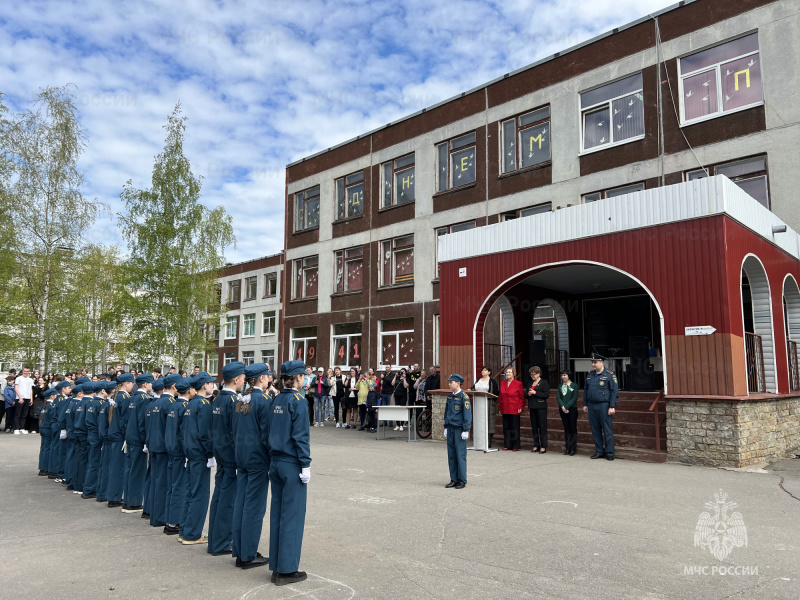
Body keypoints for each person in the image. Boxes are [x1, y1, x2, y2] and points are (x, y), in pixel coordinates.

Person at [267, 360, 311, 586]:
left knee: (278, 514)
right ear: (297, 378)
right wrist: (305, 463)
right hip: (291, 462)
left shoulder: (276, 399)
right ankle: (286, 569)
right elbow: (300, 435)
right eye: (303, 375)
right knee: (292, 516)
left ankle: (276, 565)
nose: (305, 379)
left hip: (275, 461)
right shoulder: (298, 401)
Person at [231, 363, 272, 569]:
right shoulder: (263, 401)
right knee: (253, 508)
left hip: (242, 457)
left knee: (241, 504)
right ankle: (247, 554)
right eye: (268, 375)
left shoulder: (242, 400)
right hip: (257, 459)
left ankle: (239, 550)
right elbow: (266, 435)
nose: (270, 378)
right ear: (262, 378)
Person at [208, 361, 245, 557]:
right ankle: (222, 542)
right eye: (243, 378)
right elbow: (236, 433)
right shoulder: (232, 402)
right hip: (230, 456)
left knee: (219, 497)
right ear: (237, 379)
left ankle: (215, 539)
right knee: (228, 500)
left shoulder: (218, 399)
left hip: (220, 453)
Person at [181, 371, 216, 545]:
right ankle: (192, 534)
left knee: (190, 492)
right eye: (210, 383)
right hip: (199, 453)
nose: (212, 386)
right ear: (204, 385)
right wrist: (210, 453)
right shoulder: (203, 405)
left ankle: (185, 530)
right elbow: (205, 434)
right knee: (199, 495)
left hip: (190, 451)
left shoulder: (191, 403)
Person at [147, 373, 180, 527]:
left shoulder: (155, 402)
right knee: (163, 484)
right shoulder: (169, 403)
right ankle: (159, 517)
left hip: (154, 446)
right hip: (163, 448)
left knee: (156, 482)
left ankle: (154, 514)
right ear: (174, 386)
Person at [164, 376, 192, 536]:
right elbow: (183, 432)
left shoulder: (173, 405)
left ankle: (169, 520)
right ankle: (174, 522)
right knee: (179, 486)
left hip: (171, 449)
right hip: (179, 451)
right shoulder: (183, 406)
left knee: (172, 486)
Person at [123, 373, 153, 513]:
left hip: (130, 436)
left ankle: (128, 500)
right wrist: (145, 440)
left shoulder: (132, 398)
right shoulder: (143, 399)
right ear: (145, 384)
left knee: (130, 469)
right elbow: (142, 422)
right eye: (151, 383)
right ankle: (133, 502)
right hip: (137, 439)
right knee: (137, 471)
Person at [583, 353, 619, 460]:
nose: (593, 364)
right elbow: (586, 390)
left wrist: (612, 406)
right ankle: (599, 451)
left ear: (602, 363)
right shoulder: (590, 374)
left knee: (607, 430)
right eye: (592, 362)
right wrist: (585, 404)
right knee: (595, 429)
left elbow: (614, 391)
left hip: (604, 405)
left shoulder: (609, 375)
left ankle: (610, 452)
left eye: (596, 362)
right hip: (592, 405)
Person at [106, 373, 135, 508]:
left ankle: (113, 495)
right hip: (119, 436)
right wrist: (126, 434)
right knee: (119, 467)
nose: (132, 386)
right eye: (131, 383)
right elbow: (125, 419)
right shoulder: (124, 397)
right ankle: (114, 496)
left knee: (115, 466)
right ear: (126, 384)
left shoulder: (116, 396)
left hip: (114, 433)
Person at [443, 374, 472, 489]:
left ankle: (462, 480)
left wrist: (466, 429)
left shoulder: (464, 397)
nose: (449, 384)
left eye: (451, 382)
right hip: (450, 428)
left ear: (458, 383)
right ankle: (453, 479)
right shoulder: (450, 397)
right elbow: (446, 413)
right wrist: (445, 426)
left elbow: (467, 414)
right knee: (451, 455)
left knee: (460, 455)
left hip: (459, 429)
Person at [81, 382, 104, 498]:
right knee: (95, 462)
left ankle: (88, 487)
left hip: (91, 433)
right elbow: (100, 423)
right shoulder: (99, 403)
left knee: (91, 461)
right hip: (96, 435)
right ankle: (89, 489)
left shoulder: (92, 402)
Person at [470, 366, 499, 449]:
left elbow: (496, 393)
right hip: (478, 403)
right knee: (479, 422)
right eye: (482, 370)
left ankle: (488, 442)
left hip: (488, 403)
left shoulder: (492, 381)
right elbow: (473, 388)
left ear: (489, 372)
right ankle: (479, 442)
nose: (483, 371)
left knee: (489, 422)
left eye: (485, 370)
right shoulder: (478, 380)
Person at [498, 368, 524, 451]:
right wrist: (500, 407)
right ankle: (507, 444)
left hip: (514, 407)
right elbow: (500, 396)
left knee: (514, 426)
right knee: (506, 426)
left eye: (510, 372)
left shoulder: (518, 383)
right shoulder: (503, 383)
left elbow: (521, 397)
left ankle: (515, 445)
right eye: (507, 372)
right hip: (505, 407)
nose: (508, 373)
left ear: (514, 374)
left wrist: (520, 407)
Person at [527, 366, 550, 454]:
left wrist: (535, 392)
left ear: (538, 374)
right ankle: (536, 444)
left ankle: (543, 446)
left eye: (534, 374)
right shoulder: (530, 383)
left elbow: (546, 395)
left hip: (541, 407)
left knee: (542, 427)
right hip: (532, 406)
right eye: (531, 374)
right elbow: (526, 395)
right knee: (534, 427)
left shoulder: (544, 382)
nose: (532, 376)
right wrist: (528, 394)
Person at [557, 371, 579, 456]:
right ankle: (567, 448)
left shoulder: (574, 385)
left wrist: (567, 406)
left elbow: (574, 397)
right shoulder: (560, 386)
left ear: (569, 376)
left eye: (565, 375)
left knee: (572, 428)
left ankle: (573, 448)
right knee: (566, 429)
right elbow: (558, 397)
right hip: (562, 409)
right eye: (562, 375)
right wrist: (562, 406)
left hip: (572, 409)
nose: (563, 377)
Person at [37, 388, 57, 476]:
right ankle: (45, 468)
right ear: (52, 396)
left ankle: (42, 467)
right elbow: (53, 417)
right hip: (48, 428)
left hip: (42, 427)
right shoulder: (51, 406)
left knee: (44, 447)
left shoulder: (44, 406)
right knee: (48, 448)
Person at [14, 366, 34, 434]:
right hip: (19, 398)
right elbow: (16, 388)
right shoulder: (18, 378)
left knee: (24, 414)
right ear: (22, 371)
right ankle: (16, 428)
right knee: (18, 414)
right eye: (25, 371)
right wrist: (20, 397)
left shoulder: (30, 380)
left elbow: (31, 389)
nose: (26, 372)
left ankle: (22, 428)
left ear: (29, 372)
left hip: (27, 398)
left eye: (27, 371)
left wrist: (31, 399)